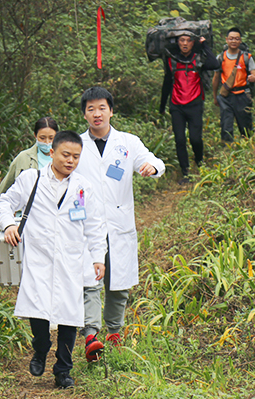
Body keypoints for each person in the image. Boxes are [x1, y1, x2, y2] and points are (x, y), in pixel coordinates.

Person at [0, 130, 107, 389]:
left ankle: (63, 370)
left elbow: (95, 226)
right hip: (39, 256)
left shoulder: (83, 187)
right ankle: (41, 348)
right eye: (66, 155)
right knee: (37, 307)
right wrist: (9, 224)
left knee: (70, 314)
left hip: (71, 258)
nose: (70, 161)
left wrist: (98, 257)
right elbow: (5, 202)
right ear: (52, 152)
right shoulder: (30, 179)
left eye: (76, 157)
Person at [74, 87, 166, 361]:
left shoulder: (127, 142)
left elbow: (154, 160)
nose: (97, 114)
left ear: (111, 110)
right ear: (84, 115)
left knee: (118, 282)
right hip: (87, 226)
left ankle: (114, 333)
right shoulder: (77, 146)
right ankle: (91, 335)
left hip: (119, 223)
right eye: (91, 109)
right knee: (89, 281)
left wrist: (151, 167)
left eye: (102, 107)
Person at [160, 34, 220, 183]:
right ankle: (185, 173)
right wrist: (162, 106)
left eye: (188, 40)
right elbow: (167, 82)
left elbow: (215, 64)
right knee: (179, 139)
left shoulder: (199, 59)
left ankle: (199, 163)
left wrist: (205, 45)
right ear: (178, 42)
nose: (185, 43)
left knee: (195, 139)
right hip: (176, 105)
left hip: (195, 104)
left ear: (193, 43)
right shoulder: (171, 60)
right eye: (182, 40)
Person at [0, 116, 58, 211]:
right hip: (25, 215)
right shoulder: (23, 158)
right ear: (35, 135)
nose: (47, 142)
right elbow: (6, 185)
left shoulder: (63, 159)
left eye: (51, 138)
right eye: (42, 138)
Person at [212, 27, 255, 143]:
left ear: (240, 41)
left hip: (242, 95)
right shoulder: (220, 58)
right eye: (231, 39)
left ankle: (248, 147)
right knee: (226, 125)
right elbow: (216, 78)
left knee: (245, 125)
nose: (233, 41)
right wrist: (215, 96)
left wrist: (254, 78)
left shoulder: (246, 57)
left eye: (236, 39)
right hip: (226, 96)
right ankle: (227, 150)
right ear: (226, 40)